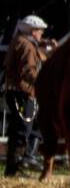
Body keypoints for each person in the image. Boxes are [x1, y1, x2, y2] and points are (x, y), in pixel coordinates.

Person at [4, 15, 53, 175]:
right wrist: (44, 81)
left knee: (26, 127)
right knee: (23, 128)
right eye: (39, 31)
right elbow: (28, 71)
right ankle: (22, 161)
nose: (41, 35)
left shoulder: (22, 42)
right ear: (32, 32)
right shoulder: (26, 46)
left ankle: (16, 165)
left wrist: (46, 45)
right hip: (23, 93)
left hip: (20, 92)